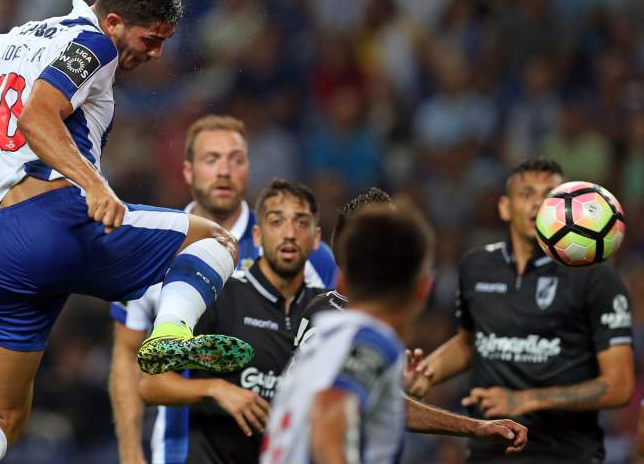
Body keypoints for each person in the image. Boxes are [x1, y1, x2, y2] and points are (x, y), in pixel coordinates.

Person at [0, 0, 253, 464]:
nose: (157, 53)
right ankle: (169, 339)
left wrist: (7, 63)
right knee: (215, 240)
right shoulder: (95, 43)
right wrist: (94, 184)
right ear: (114, 22)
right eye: (150, 39)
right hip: (55, 218)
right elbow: (38, 115)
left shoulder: (25, 37)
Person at [110, 116, 338, 464]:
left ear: (248, 168)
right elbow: (128, 356)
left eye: (236, 160)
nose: (224, 171)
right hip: (184, 449)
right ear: (187, 171)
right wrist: (130, 453)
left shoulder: (301, 250)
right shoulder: (153, 245)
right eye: (211, 159)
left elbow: (340, 334)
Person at [409, 158, 634, 463]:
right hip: (489, 451)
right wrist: (426, 375)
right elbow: (468, 343)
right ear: (504, 207)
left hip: (565, 454)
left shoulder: (596, 277)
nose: (538, 204)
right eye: (527, 194)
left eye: (550, 195)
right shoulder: (476, 266)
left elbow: (619, 386)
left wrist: (528, 399)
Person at [295, 188, 529, 451]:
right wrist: (472, 427)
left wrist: (389, 384)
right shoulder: (361, 331)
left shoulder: (327, 309)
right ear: (423, 286)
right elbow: (329, 408)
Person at [137, 179, 327, 463]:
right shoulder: (220, 293)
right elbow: (150, 385)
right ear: (258, 235)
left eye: (301, 223)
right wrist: (215, 389)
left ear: (315, 238)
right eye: (276, 221)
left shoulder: (328, 310)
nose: (289, 233)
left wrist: (406, 384)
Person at [261, 203, 435, 463]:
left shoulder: (322, 339)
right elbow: (329, 410)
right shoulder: (373, 340)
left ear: (343, 282)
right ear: (423, 288)